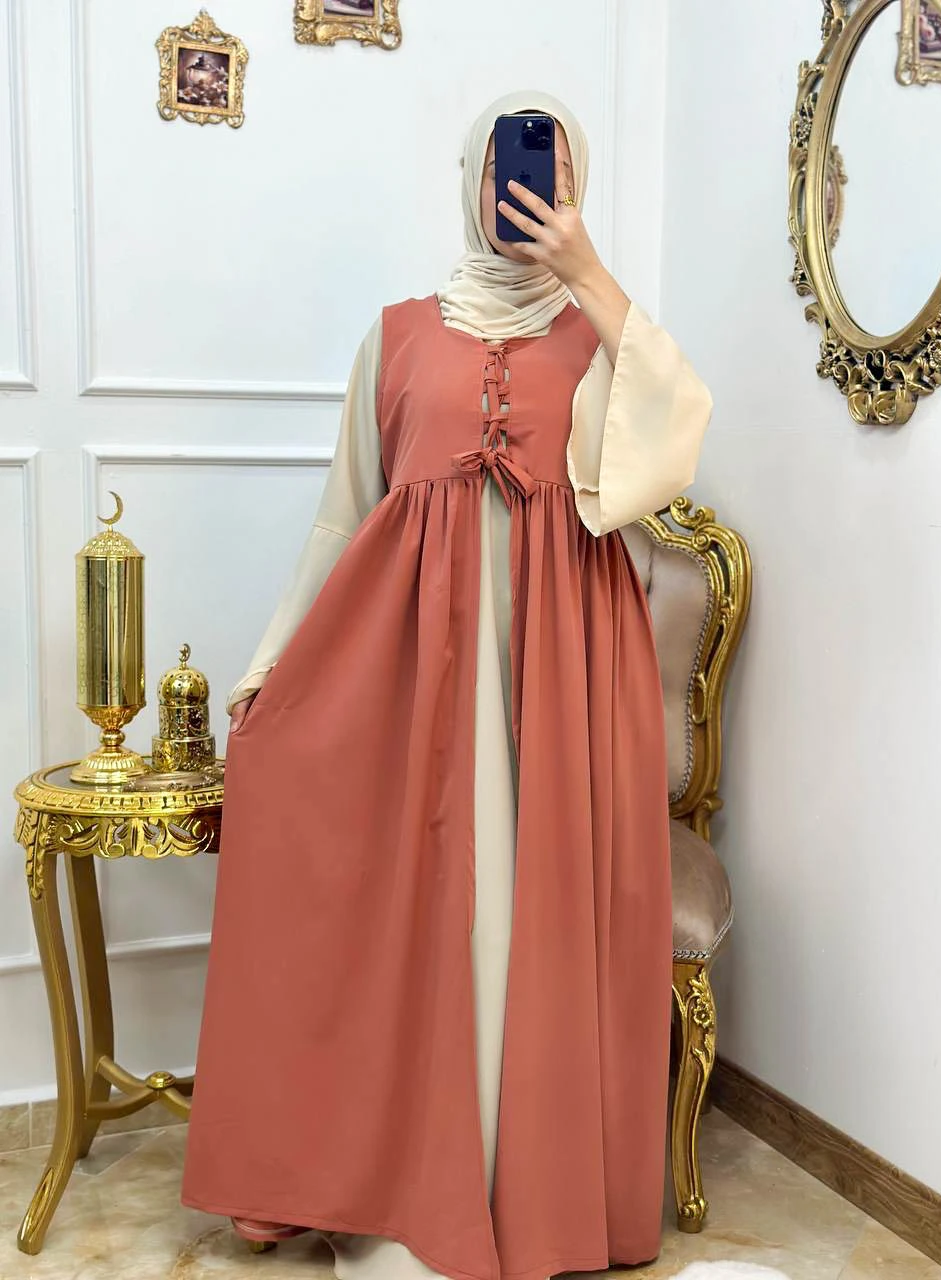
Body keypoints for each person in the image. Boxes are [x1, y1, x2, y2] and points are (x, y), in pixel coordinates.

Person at [181, 90, 712, 1280]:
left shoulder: (603, 331)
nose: (527, 189)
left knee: (534, 914)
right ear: (471, 178)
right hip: (415, 675)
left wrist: (589, 271)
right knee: (440, 912)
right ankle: (413, 1182)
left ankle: (534, 1195)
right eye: (509, 169)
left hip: (570, 673)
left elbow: (675, 436)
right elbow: (343, 518)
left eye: (554, 170)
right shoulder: (398, 336)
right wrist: (269, 666)